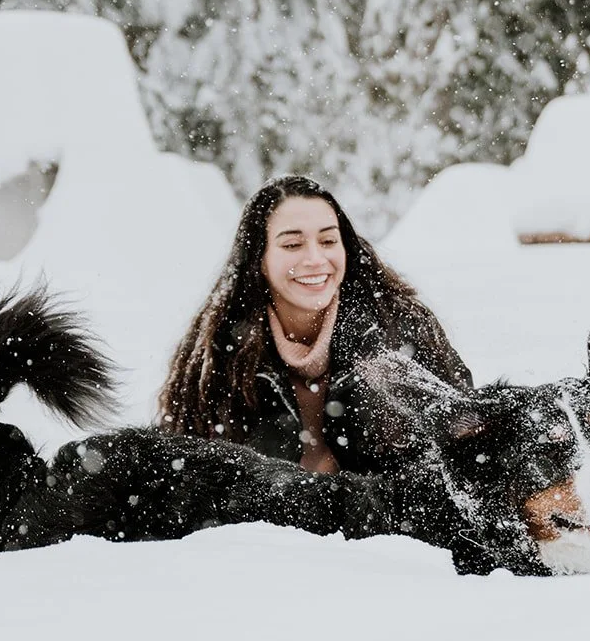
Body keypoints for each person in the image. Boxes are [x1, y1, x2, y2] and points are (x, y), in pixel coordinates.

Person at [158, 175, 472, 474]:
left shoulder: (401, 331)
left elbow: (470, 448)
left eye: (328, 240)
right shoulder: (219, 353)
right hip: (263, 531)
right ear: (258, 258)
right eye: (292, 245)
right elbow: (186, 479)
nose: (315, 259)